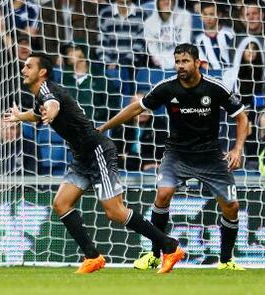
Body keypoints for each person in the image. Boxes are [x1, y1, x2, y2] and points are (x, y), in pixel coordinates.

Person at [3, 52, 184, 274]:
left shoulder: (49, 92)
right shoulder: (42, 94)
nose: (23, 69)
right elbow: (39, 113)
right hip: (81, 157)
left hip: (98, 151)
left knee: (115, 212)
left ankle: (170, 246)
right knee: (61, 204)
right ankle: (92, 256)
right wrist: (21, 116)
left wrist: (51, 112)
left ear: (42, 72)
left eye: (28, 66)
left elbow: (53, 106)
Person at [99, 43, 249, 270]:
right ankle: (155, 255)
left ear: (198, 63)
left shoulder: (215, 88)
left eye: (185, 61)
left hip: (210, 156)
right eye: (177, 61)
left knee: (232, 207)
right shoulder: (167, 88)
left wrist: (237, 149)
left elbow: (242, 117)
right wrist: (102, 129)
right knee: (163, 194)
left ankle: (226, 260)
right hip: (177, 153)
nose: (180, 66)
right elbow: (135, 109)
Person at [144, 0, 192, 69]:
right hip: (160, 66)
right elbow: (153, 50)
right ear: (157, 2)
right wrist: (166, 64)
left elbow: (185, 42)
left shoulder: (185, 16)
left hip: (182, 62)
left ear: (174, 1)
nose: (166, 2)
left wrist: (177, 62)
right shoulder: (149, 23)